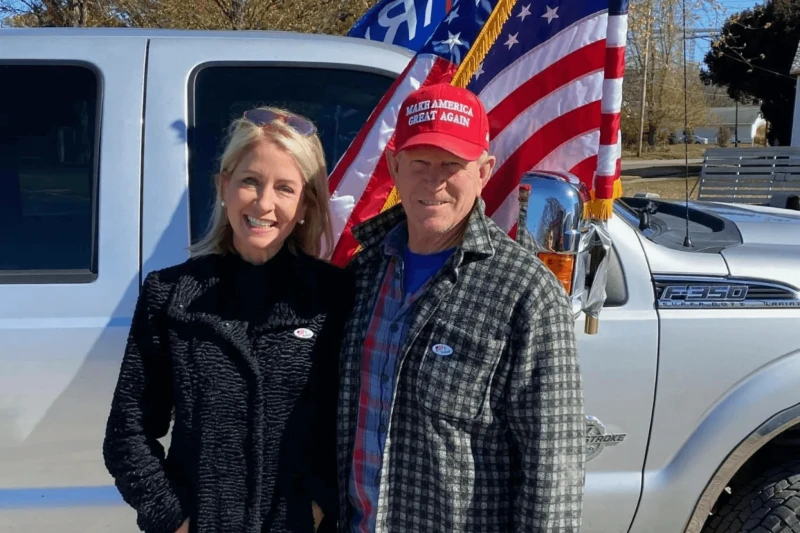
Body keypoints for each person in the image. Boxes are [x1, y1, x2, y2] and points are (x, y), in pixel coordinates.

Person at [336, 83, 586, 533]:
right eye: (420, 163)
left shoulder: (526, 293)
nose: (434, 181)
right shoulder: (362, 274)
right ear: (394, 165)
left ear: (484, 171)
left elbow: (554, 472)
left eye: (452, 164)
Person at [103, 107, 351, 533]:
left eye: (285, 188)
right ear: (224, 186)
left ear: (306, 205)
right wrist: (173, 519)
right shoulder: (170, 295)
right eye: (250, 181)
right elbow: (128, 433)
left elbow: (358, 427)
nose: (264, 202)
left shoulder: (337, 298)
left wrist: (317, 505)